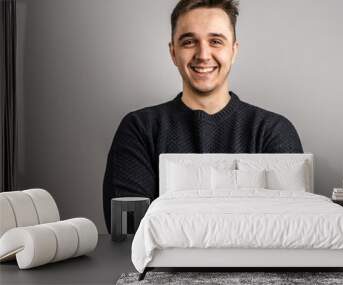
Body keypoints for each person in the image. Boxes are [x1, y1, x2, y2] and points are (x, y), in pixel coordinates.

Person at [103, 0, 303, 232]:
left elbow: (289, 229)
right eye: (189, 42)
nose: (203, 54)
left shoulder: (273, 130)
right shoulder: (139, 128)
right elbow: (128, 232)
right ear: (173, 52)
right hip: (159, 270)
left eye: (216, 41)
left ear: (234, 51)